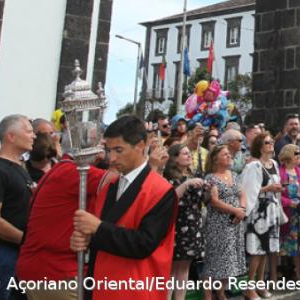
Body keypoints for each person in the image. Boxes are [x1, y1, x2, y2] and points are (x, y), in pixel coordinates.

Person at [71, 114, 178, 300]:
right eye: (109, 150)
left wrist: (97, 228)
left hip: (136, 289)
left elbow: (144, 244)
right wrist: (86, 239)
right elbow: (101, 234)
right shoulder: (109, 186)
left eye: (118, 150)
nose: (111, 158)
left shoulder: (162, 191)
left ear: (140, 145)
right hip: (100, 286)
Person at [16, 153, 109, 300]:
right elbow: (123, 183)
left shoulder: (63, 168)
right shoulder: (73, 171)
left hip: (47, 270)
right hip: (56, 272)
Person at [0, 114, 36, 299]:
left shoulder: (19, 168)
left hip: (16, 254)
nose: (33, 136)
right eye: (28, 131)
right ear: (11, 136)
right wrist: (26, 240)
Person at [240, 130, 283, 297]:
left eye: (271, 141)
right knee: (256, 251)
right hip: (258, 212)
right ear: (259, 146)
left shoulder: (274, 163)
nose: (271, 144)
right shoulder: (253, 166)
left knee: (266, 249)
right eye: (267, 142)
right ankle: (249, 287)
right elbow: (248, 191)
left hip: (271, 210)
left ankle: (260, 283)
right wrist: (268, 188)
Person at [204, 144, 249, 299]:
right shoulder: (210, 178)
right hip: (218, 225)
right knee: (215, 259)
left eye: (229, 154)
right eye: (225, 154)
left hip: (235, 223)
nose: (229, 156)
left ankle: (221, 292)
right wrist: (234, 211)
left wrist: (241, 210)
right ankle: (208, 294)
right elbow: (214, 202)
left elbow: (242, 193)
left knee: (229, 260)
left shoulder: (233, 174)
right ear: (215, 159)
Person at [164, 144, 207, 300]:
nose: (189, 156)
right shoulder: (168, 176)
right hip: (176, 226)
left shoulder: (194, 174)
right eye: (184, 153)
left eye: (190, 153)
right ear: (175, 158)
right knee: (171, 269)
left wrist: (208, 189)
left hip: (193, 226)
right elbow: (171, 199)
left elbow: (203, 200)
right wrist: (187, 184)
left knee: (184, 267)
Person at [279, 144, 300, 282]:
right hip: (287, 213)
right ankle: (286, 273)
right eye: (296, 153)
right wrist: (289, 203)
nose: (299, 156)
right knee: (286, 246)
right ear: (288, 155)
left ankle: (299, 275)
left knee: (299, 246)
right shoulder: (280, 173)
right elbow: (277, 195)